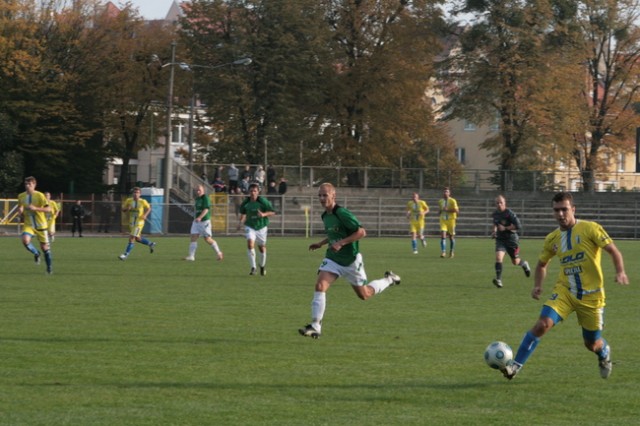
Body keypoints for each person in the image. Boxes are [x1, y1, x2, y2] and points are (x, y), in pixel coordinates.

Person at [500, 192, 629, 381]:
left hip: (592, 296)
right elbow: (542, 264)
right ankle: (514, 367)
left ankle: (604, 352)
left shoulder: (590, 228)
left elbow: (613, 251)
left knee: (591, 343)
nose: (560, 214)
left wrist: (620, 271)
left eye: (564, 209)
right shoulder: (552, 239)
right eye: (556, 210)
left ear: (573, 209)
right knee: (542, 324)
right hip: (565, 292)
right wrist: (537, 285)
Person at [298, 183, 401, 339]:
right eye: (319, 195)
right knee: (320, 285)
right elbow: (334, 234)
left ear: (334, 196)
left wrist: (341, 243)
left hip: (351, 261)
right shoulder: (325, 215)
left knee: (364, 294)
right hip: (333, 259)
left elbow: (361, 232)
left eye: (325, 195)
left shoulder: (342, 213)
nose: (321, 198)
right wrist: (321, 243)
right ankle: (315, 325)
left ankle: (388, 280)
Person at [491, 195, 531, 288]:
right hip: (500, 240)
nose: (499, 204)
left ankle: (524, 264)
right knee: (498, 257)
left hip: (511, 240)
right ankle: (499, 280)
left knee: (515, 262)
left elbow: (518, 226)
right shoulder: (495, 214)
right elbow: (495, 224)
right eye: (497, 203)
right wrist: (494, 231)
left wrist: (505, 228)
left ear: (505, 203)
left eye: (501, 202)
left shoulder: (509, 213)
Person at [237, 183, 276, 275]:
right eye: (251, 191)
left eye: (255, 191)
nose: (253, 193)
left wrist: (263, 214)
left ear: (258, 192)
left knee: (262, 248)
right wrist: (240, 223)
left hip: (261, 227)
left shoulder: (263, 201)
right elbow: (243, 213)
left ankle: (262, 266)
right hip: (250, 226)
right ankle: (253, 267)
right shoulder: (245, 202)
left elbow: (273, 212)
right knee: (250, 244)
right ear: (248, 192)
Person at [17, 177, 54, 274]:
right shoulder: (21, 196)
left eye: (29, 184)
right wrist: (20, 211)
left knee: (45, 248)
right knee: (25, 240)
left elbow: (49, 209)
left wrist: (36, 208)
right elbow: (20, 206)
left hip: (41, 225)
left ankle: (49, 268)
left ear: (34, 185)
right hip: (29, 224)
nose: (27, 186)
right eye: (26, 184)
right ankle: (36, 253)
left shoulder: (40, 195)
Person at [184, 184, 224, 262]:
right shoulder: (197, 199)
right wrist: (196, 217)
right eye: (197, 190)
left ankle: (219, 253)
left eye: (199, 190)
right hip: (197, 221)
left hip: (204, 221)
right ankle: (191, 256)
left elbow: (206, 209)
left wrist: (200, 217)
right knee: (193, 237)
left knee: (207, 239)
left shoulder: (205, 198)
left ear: (203, 190)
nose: (198, 191)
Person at [118, 187, 156, 260]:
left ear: (140, 194)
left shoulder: (143, 201)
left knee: (131, 238)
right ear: (132, 193)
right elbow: (123, 209)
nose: (135, 194)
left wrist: (145, 215)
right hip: (132, 222)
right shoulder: (129, 201)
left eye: (137, 193)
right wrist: (127, 209)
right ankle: (150, 244)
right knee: (138, 239)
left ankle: (125, 255)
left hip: (139, 223)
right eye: (134, 192)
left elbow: (149, 208)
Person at [438, 187, 459, 258]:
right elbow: (440, 210)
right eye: (444, 192)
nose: (445, 193)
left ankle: (451, 251)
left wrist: (448, 210)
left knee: (451, 237)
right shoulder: (440, 201)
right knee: (443, 236)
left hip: (451, 220)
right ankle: (443, 252)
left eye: (447, 192)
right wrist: (439, 212)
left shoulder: (453, 201)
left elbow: (457, 211)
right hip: (443, 220)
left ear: (449, 193)